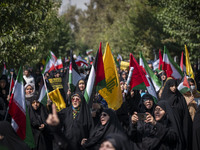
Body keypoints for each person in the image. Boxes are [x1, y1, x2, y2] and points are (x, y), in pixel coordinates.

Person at [160, 78, 192, 150]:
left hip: (181, 125)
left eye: (175, 85)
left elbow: (185, 113)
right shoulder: (164, 99)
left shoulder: (180, 97)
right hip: (169, 127)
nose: (174, 87)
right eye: (171, 86)